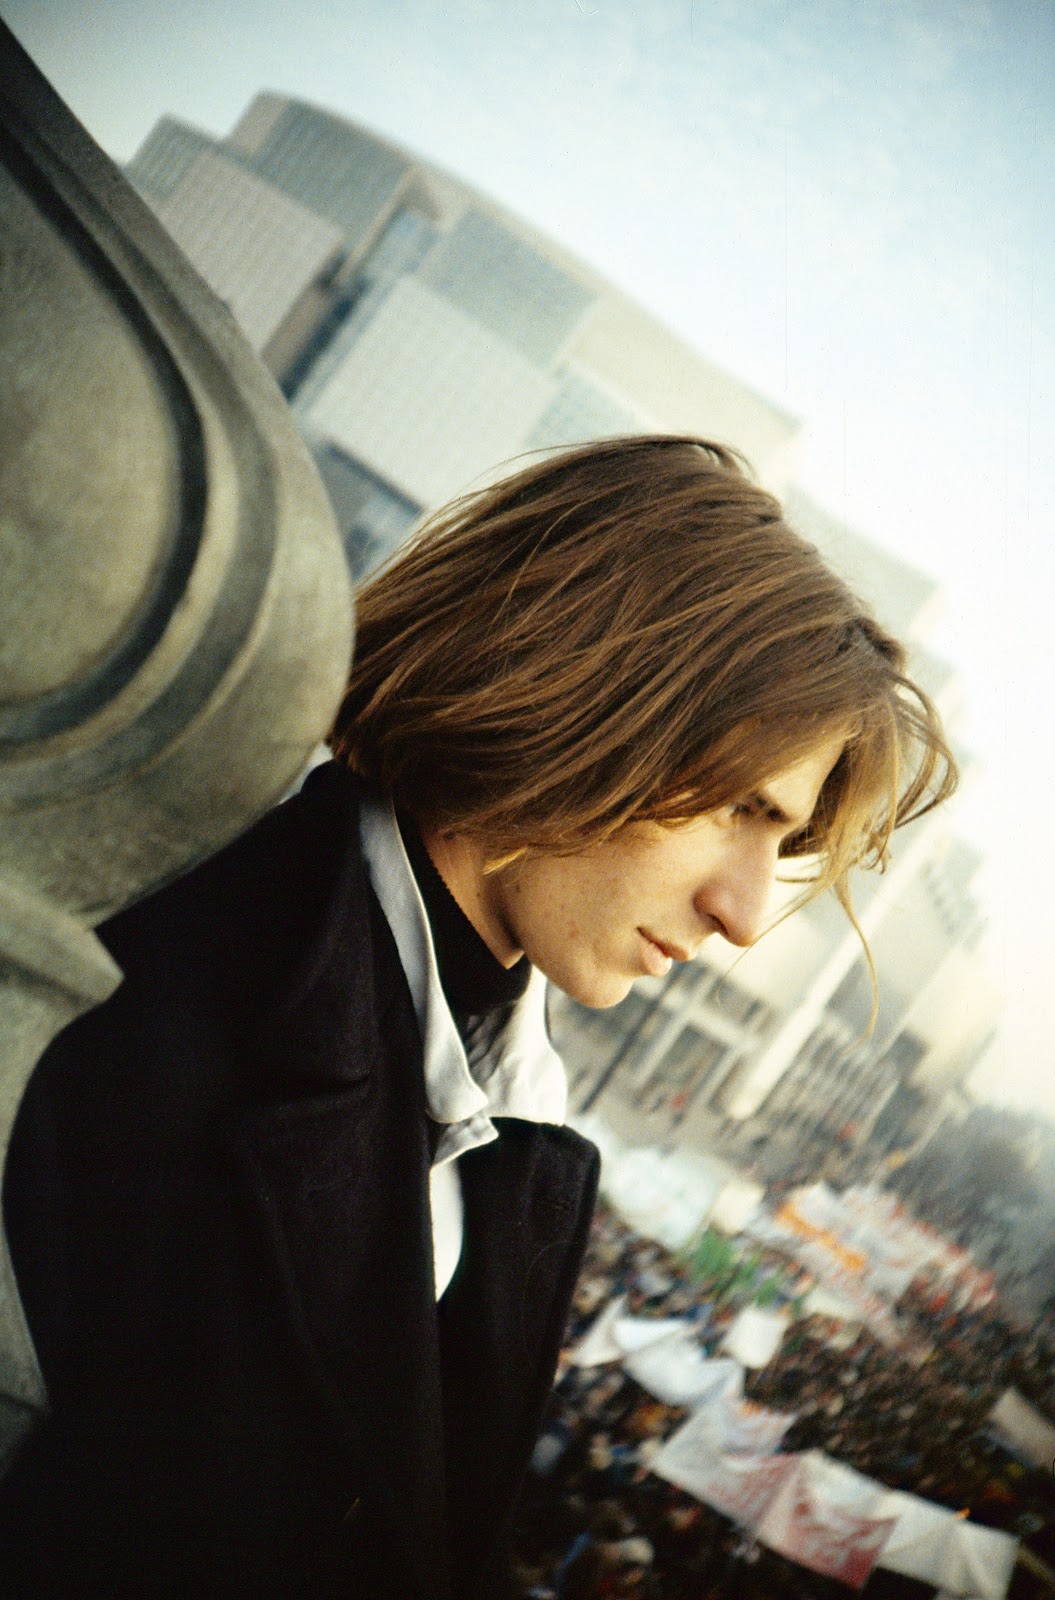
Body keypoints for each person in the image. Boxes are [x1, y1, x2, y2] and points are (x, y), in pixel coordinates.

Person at [0, 435, 955, 1598]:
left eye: (783, 842)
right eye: (740, 810)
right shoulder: (162, 985)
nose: (745, 915)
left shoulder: (518, 1130)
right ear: (582, 692)